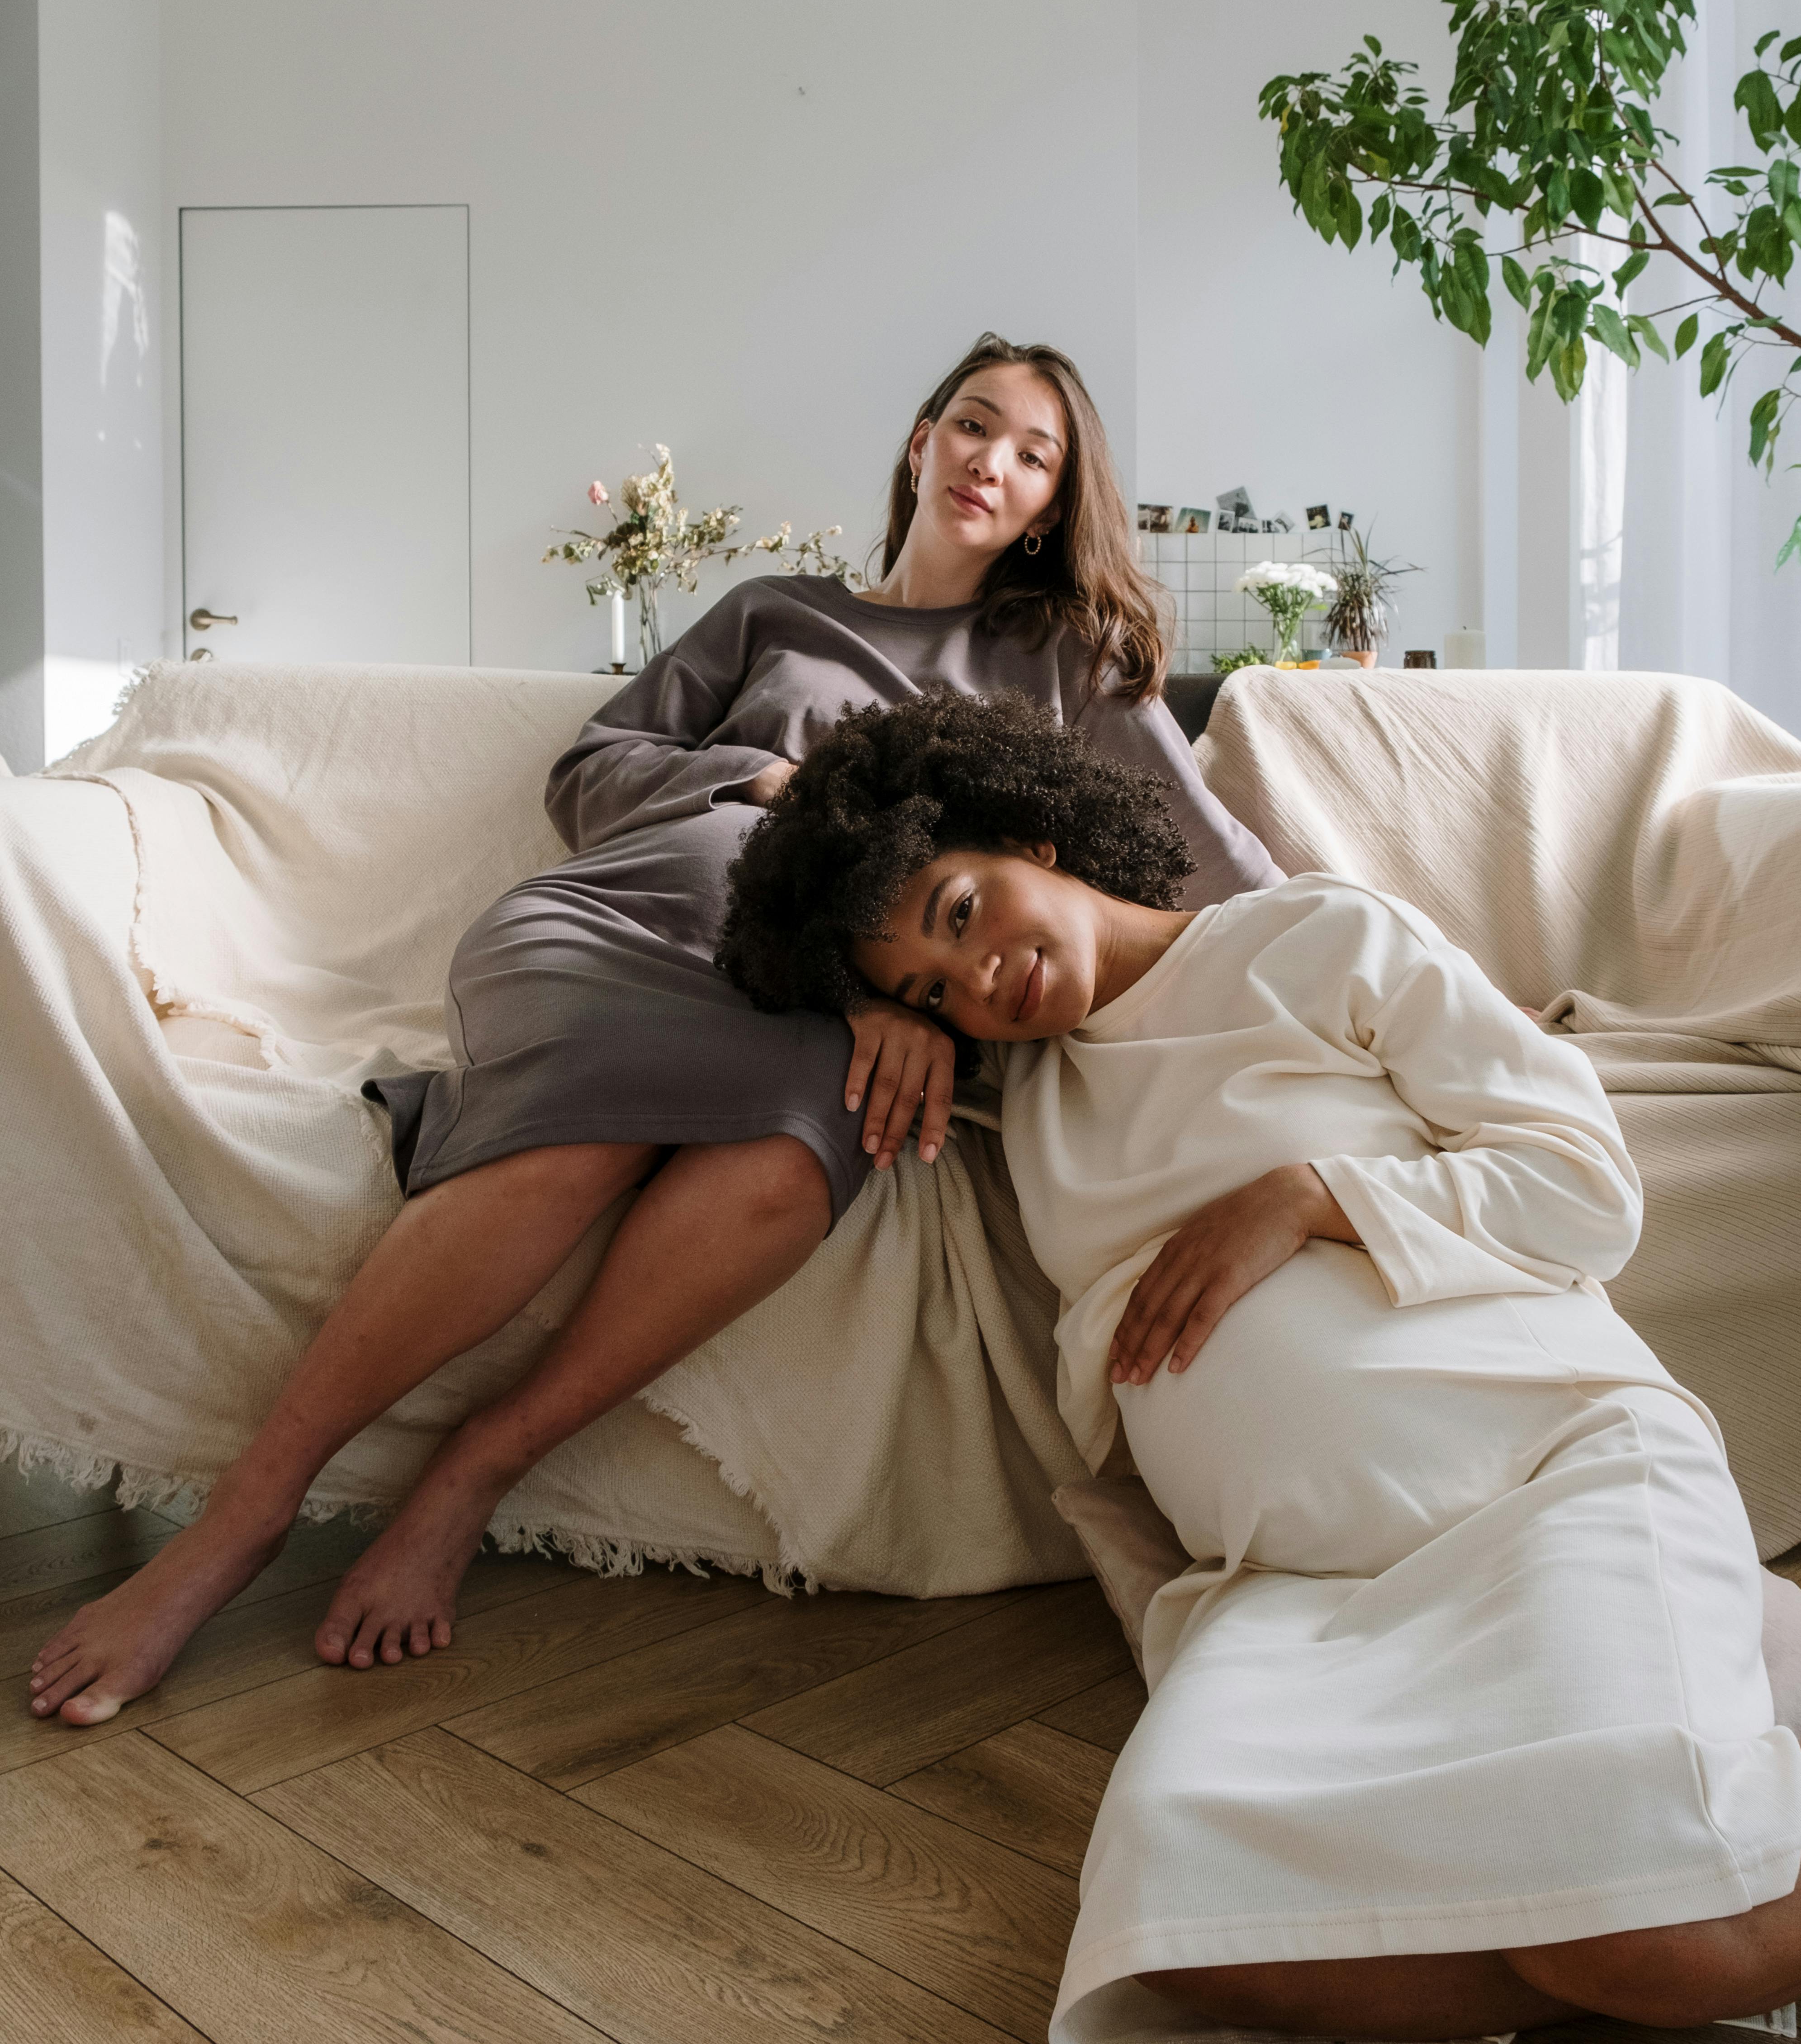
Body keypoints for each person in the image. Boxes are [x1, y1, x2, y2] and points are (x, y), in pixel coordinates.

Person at [28, 334, 1277, 1729]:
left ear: (1052, 503)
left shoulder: (1058, 665)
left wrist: (1405, 978)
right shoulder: (772, 614)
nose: (994, 460)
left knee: (804, 1148)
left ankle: (474, 1471)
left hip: (819, 1005)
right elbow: (592, 771)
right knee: (585, 1139)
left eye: (1034, 453)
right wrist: (768, 780)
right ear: (918, 444)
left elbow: (1218, 871)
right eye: (973, 426)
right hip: (614, 923)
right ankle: (240, 1524)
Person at [715, 691, 1801, 2044]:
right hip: (1302, 1595)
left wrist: (1312, 1195)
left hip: (1547, 1486)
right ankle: (1680, 1865)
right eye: (931, 991)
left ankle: (1655, 1904)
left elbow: (1584, 1191)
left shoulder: (1318, 939)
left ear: (1021, 828)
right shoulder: (1024, 1094)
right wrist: (862, 1010)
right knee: (1192, 1945)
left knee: (1643, 1922)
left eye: (960, 914)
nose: (979, 983)